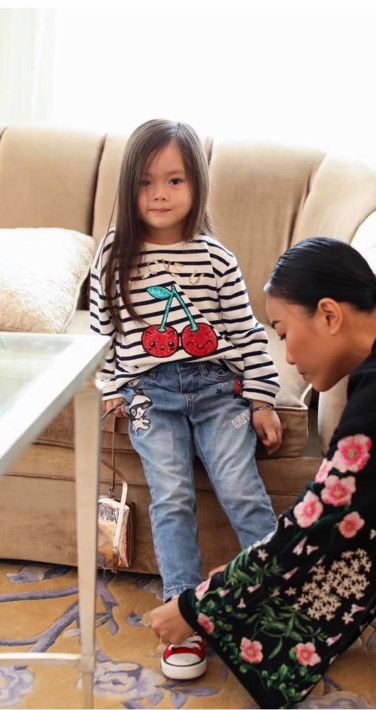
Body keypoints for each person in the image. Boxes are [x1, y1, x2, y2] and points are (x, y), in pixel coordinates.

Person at [151, 237, 376, 708]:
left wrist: (200, 606)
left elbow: (317, 518)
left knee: (366, 511)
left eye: (282, 332)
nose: (289, 357)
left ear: (329, 315)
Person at [90, 119, 282, 681]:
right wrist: (112, 388)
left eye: (174, 180)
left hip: (218, 390)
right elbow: (103, 331)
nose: (159, 194)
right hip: (148, 395)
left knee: (241, 489)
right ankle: (185, 615)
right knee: (171, 496)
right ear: (128, 187)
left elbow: (246, 333)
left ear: (197, 184)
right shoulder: (114, 252)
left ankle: (276, 602)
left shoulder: (216, 258)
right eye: (145, 182)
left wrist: (262, 399)